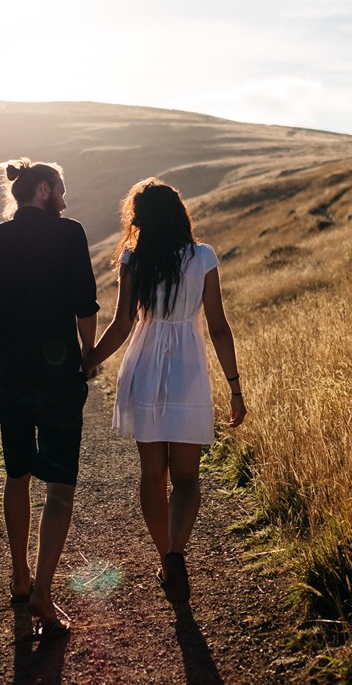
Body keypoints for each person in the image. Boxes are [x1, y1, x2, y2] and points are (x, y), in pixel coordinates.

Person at [83, 178, 245, 604]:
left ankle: (166, 558)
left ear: (141, 219)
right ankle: (175, 553)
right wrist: (235, 388)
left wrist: (89, 360)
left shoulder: (133, 257)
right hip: (187, 370)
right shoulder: (204, 257)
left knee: (152, 476)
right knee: (188, 480)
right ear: (179, 214)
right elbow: (218, 327)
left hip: (145, 365)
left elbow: (120, 326)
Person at [0, 158, 99, 636]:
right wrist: (89, 353)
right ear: (44, 189)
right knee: (60, 488)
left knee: (16, 476)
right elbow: (86, 304)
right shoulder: (70, 234)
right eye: (60, 189)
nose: (65, 199)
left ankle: (20, 577)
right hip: (60, 376)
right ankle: (43, 589)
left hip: (12, 379)